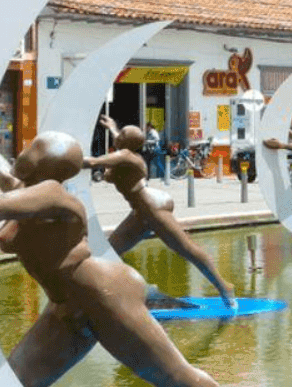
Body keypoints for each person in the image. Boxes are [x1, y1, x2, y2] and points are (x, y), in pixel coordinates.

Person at [1, 132, 275, 387]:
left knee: (177, 377)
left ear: (42, 161)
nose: (22, 150)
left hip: (104, 295)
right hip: (65, 308)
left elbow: (7, 202)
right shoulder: (26, 190)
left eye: (31, 148)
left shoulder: (52, 193)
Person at [87, 116, 236, 307]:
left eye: (123, 133)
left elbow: (93, 162)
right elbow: (120, 142)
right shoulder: (126, 153)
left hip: (152, 207)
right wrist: (113, 127)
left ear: (128, 142)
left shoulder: (125, 156)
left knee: (185, 248)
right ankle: (134, 291)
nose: (118, 135)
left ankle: (224, 286)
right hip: (140, 212)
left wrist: (65, 160)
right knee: (109, 251)